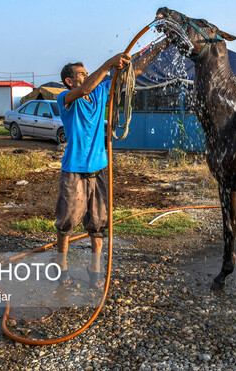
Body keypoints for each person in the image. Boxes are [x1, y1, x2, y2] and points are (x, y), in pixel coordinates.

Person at [55, 38, 170, 288]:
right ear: (69, 81)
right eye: (81, 74)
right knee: (66, 223)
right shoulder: (65, 99)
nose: (85, 77)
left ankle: (94, 269)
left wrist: (159, 47)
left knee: (98, 223)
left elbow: (132, 72)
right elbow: (84, 89)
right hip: (74, 170)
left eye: (87, 73)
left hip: (99, 169)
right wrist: (108, 63)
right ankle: (62, 268)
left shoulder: (99, 92)